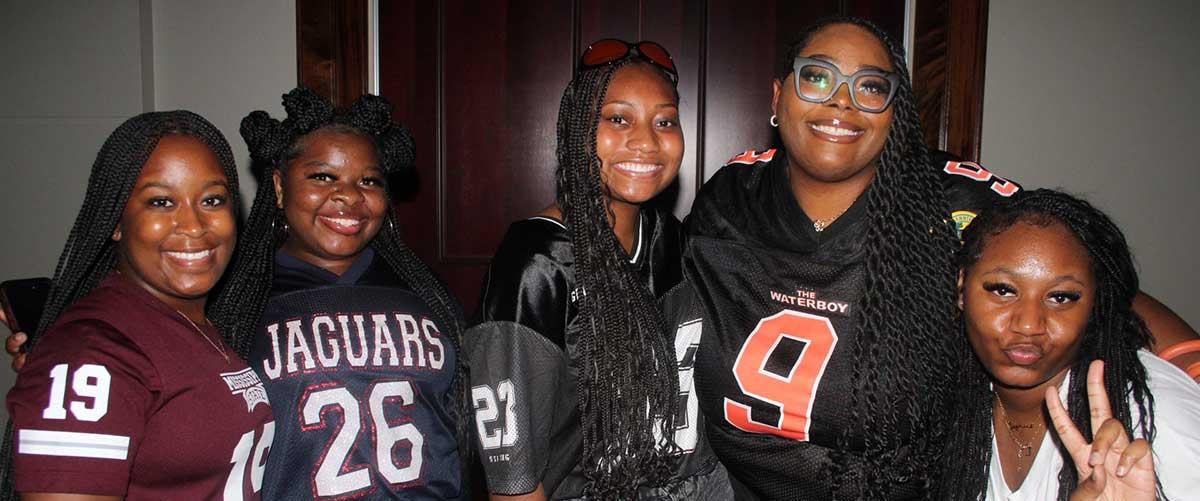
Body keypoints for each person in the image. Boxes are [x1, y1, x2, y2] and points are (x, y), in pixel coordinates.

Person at [667, 15, 1200, 500]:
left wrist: (1191, 362)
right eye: (818, 77)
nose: (842, 102)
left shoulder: (953, 199)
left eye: (871, 87)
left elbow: (1081, 277)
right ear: (779, 96)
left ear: (895, 114)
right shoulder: (731, 194)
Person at [470, 39, 730, 499]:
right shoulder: (538, 263)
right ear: (577, 129)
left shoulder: (675, 239)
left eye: (664, 121)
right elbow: (513, 478)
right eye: (618, 119)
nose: (646, 141)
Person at [201, 87, 470, 500]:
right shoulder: (237, 305)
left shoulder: (425, 296)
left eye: (369, 180)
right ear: (278, 185)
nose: (348, 195)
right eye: (323, 176)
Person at [2, 111, 275, 499]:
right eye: (161, 202)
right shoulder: (93, 353)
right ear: (115, 220)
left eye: (212, 200)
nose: (194, 226)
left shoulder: (197, 323)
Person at [940, 188, 1200, 500]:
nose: (1028, 325)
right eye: (1003, 290)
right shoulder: (951, 397)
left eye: (1061, 297)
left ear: (1095, 304)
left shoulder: (1153, 420)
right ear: (961, 289)